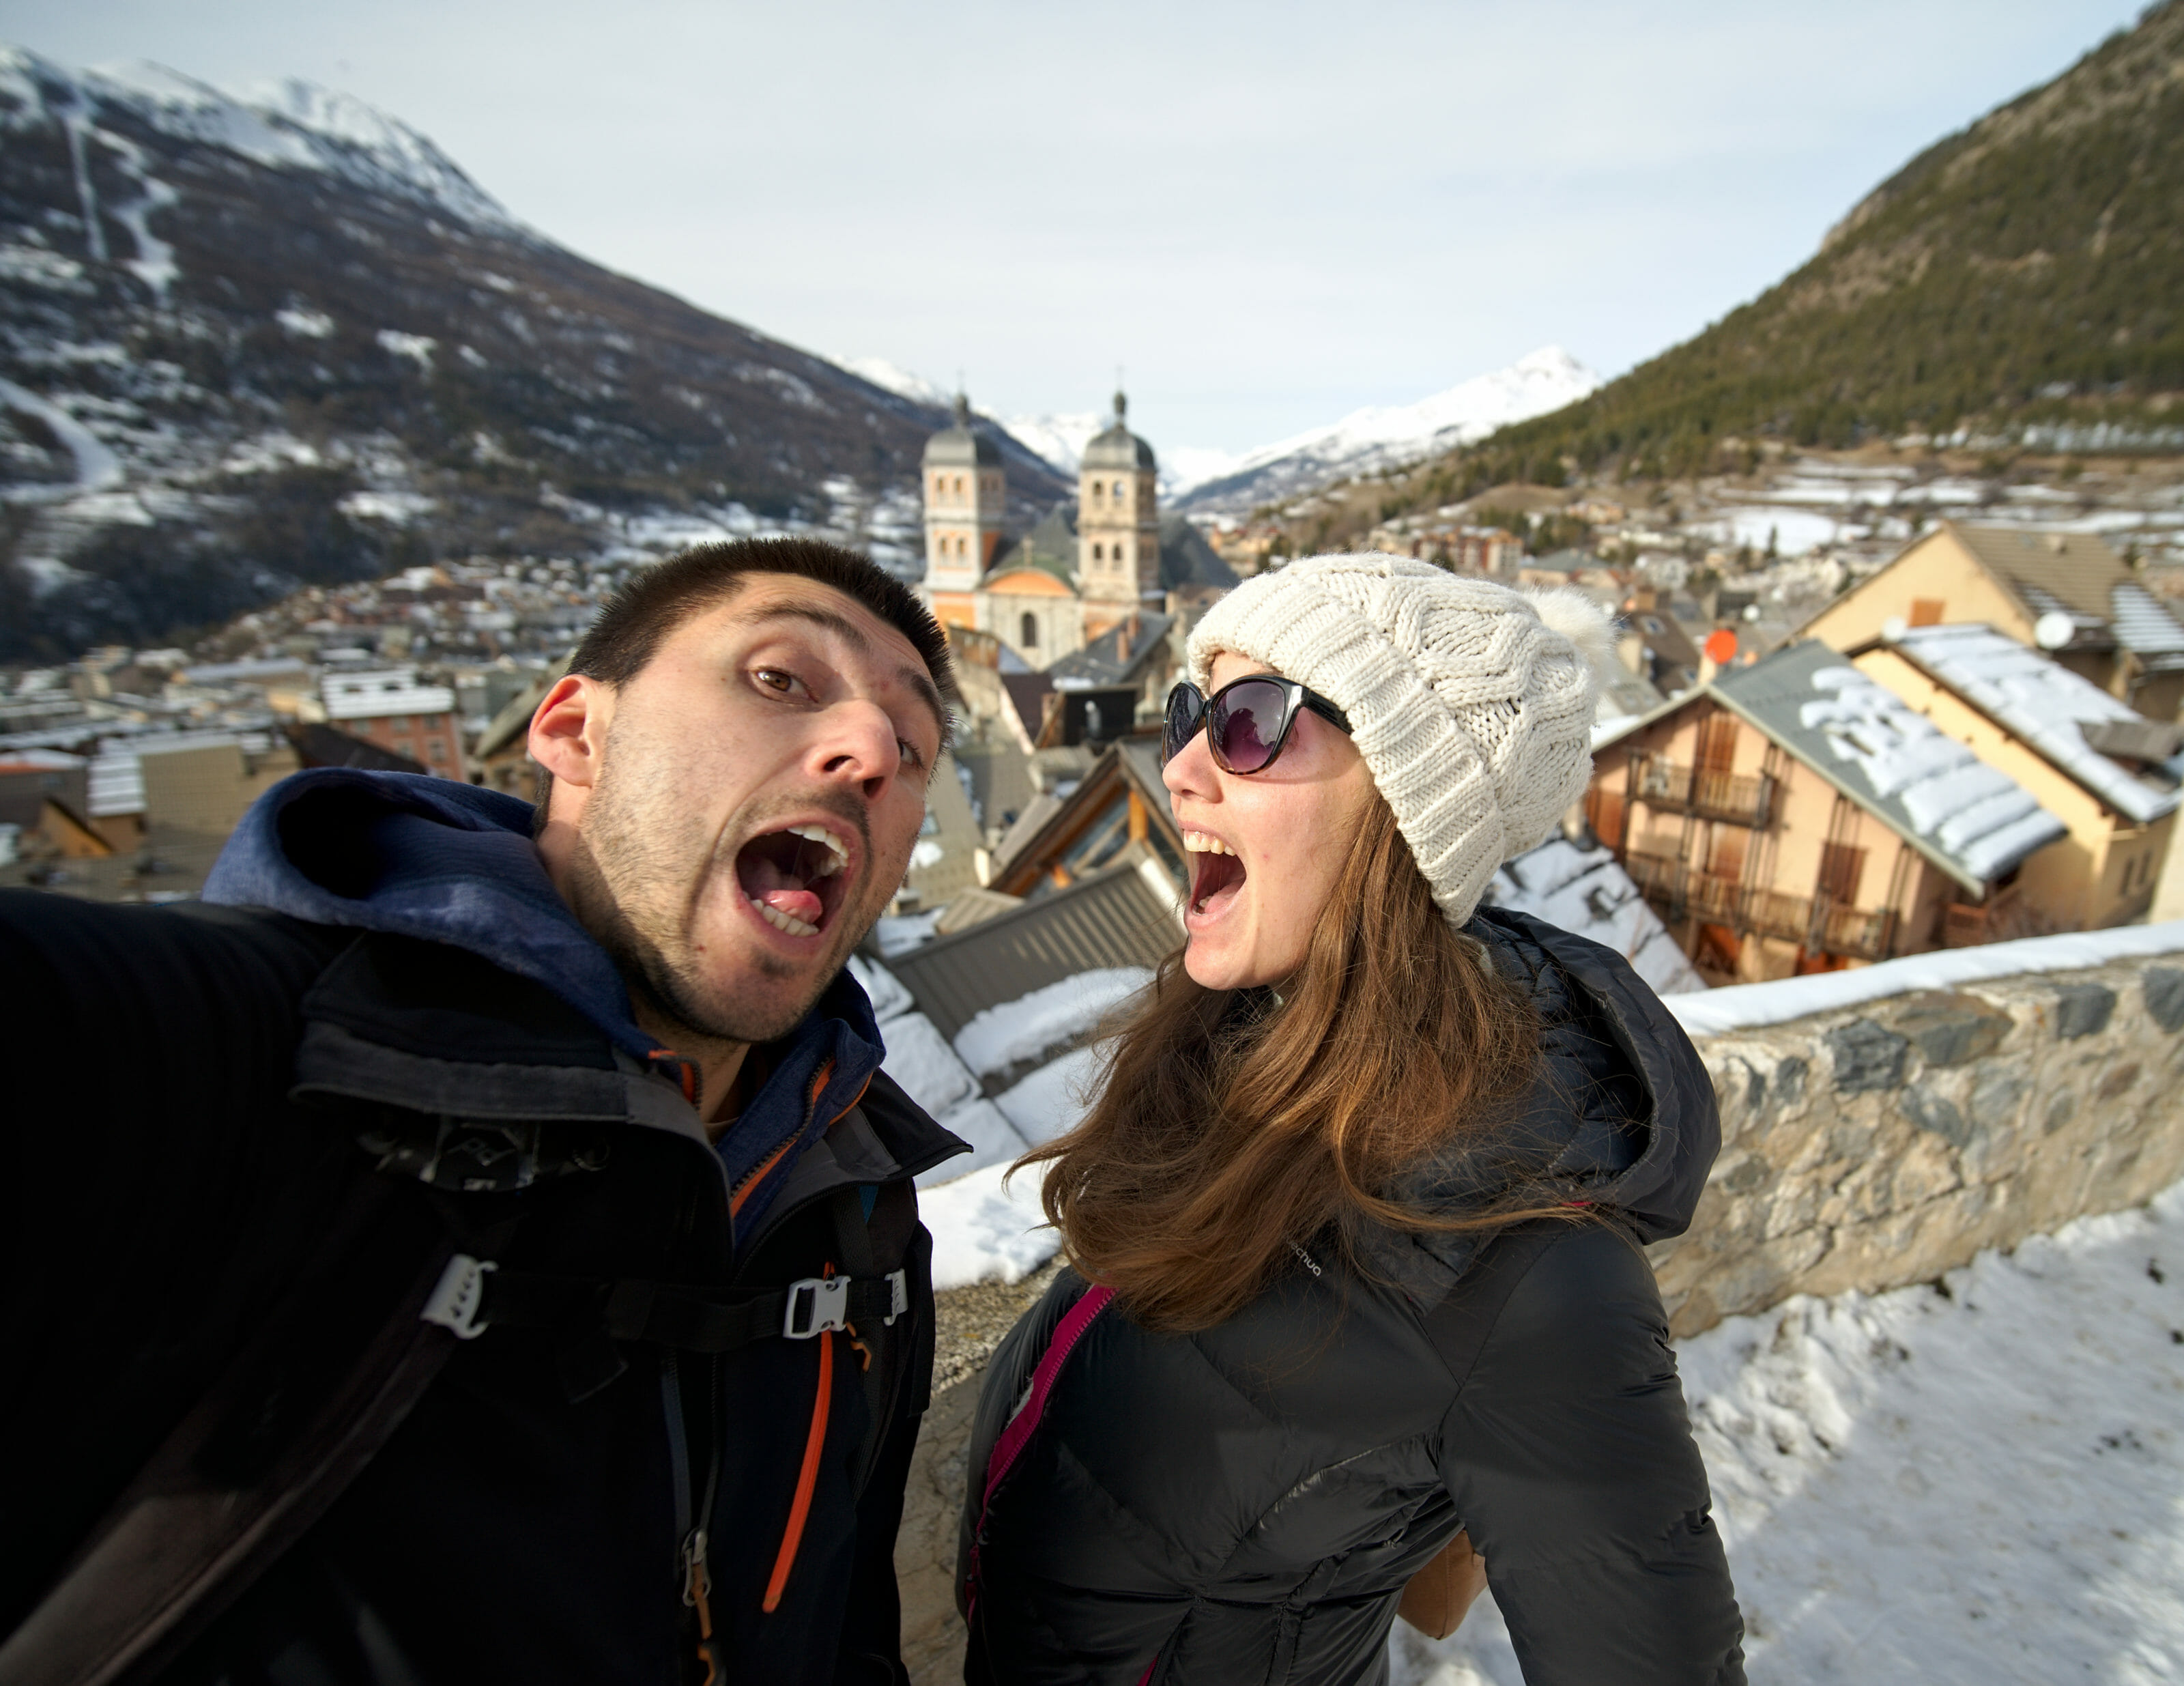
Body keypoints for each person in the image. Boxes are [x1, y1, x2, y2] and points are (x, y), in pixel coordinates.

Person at [0, 538, 968, 1685]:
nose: (869, 751)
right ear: (572, 732)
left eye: (912, 748)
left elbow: (843, 1628)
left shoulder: (860, 1211)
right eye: (780, 678)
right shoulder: (254, 1059)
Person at [958, 554, 1747, 1684]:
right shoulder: (1250, 1049)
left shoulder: (1528, 1270)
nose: (1177, 768)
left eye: (1251, 721)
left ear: (1405, 802)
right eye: (1192, 711)